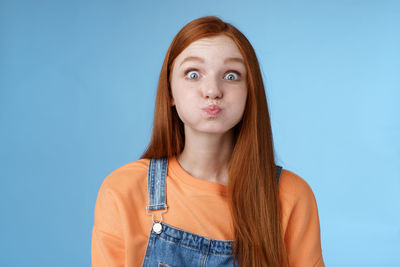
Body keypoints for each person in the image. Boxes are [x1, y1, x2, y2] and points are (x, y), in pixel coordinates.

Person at [91, 16, 325, 267]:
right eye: (193, 74)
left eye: (231, 75)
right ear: (170, 91)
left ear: (250, 91)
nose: (213, 90)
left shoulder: (291, 196)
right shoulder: (123, 190)